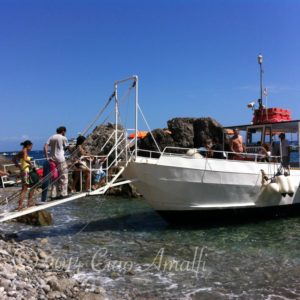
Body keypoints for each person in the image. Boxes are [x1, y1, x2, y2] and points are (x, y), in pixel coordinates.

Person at [44, 126, 69, 199]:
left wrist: (47, 157)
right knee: (64, 176)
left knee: (54, 177)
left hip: (52, 159)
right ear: (63, 131)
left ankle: (53, 194)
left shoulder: (51, 137)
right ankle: (63, 193)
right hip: (61, 159)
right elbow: (67, 147)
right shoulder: (63, 138)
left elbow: (45, 146)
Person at [12, 140, 35, 210]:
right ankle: (21, 205)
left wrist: (18, 166)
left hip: (23, 171)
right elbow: (25, 159)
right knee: (25, 189)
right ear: (28, 146)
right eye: (31, 146)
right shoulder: (25, 151)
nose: (31, 148)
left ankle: (27, 203)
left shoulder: (22, 151)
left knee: (27, 187)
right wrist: (30, 163)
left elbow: (13, 159)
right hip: (26, 172)